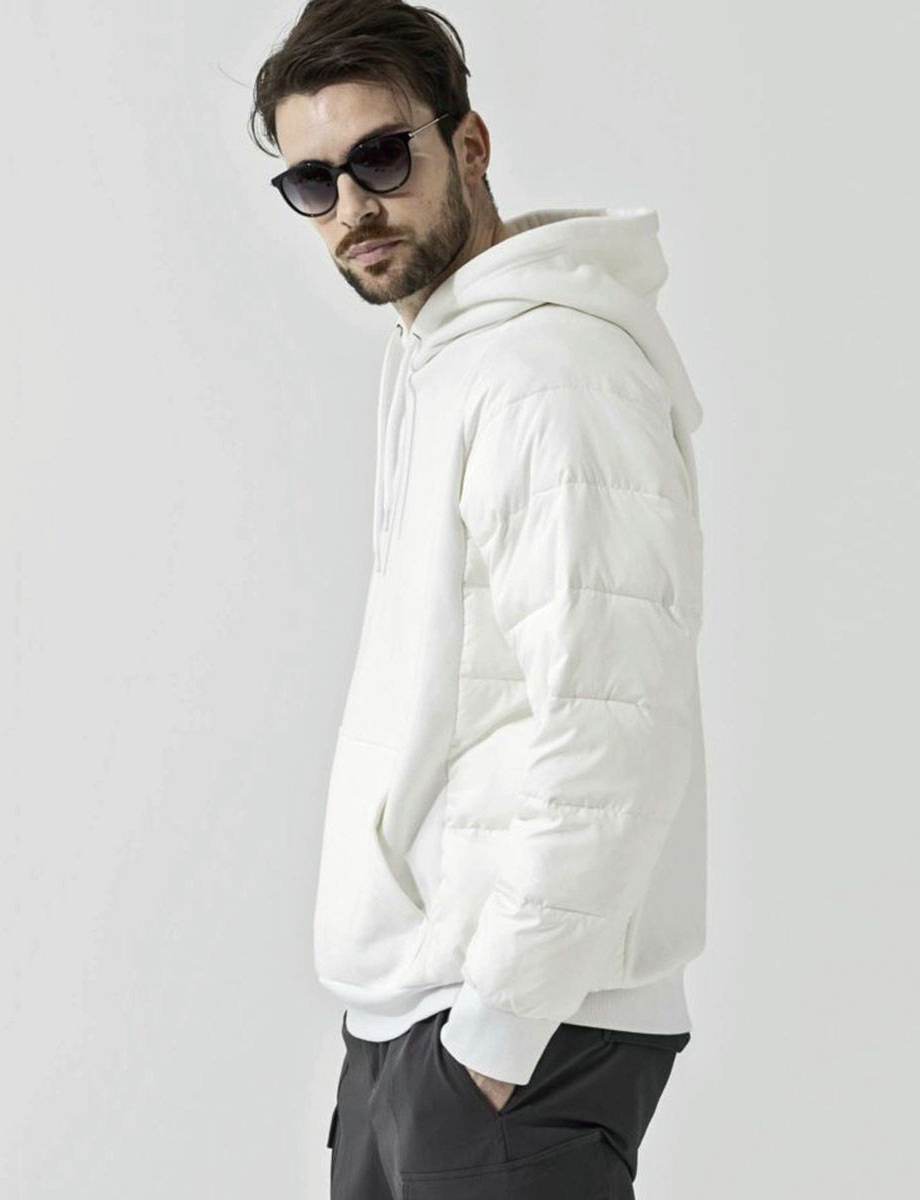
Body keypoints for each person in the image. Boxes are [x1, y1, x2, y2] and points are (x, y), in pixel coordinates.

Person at [251, 3, 707, 1195]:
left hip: (518, 1037)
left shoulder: (549, 375)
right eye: (312, 182)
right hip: (424, 1023)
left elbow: (616, 722)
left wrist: (491, 1045)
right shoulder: (446, 360)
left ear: (470, 145)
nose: (351, 207)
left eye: (380, 158)